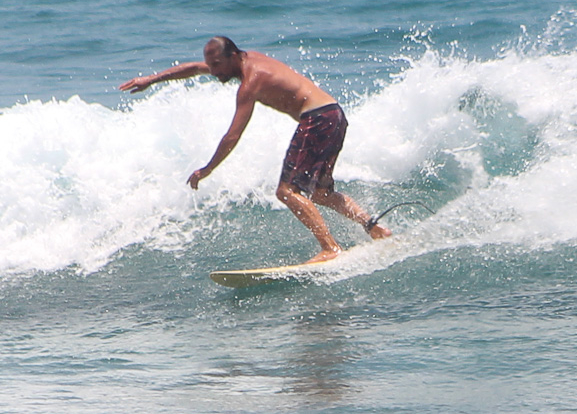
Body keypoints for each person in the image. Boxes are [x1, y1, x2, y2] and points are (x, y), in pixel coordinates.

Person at [120, 37, 391, 264]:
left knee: (287, 192)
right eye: (211, 65)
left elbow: (232, 135)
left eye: (217, 65)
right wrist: (152, 79)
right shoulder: (246, 59)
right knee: (321, 193)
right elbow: (193, 68)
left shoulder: (251, 81)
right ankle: (375, 228)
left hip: (317, 119)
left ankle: (330, 248)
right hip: (334, 115)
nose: (214, 72)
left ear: (233, 56)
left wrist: (207, 169)